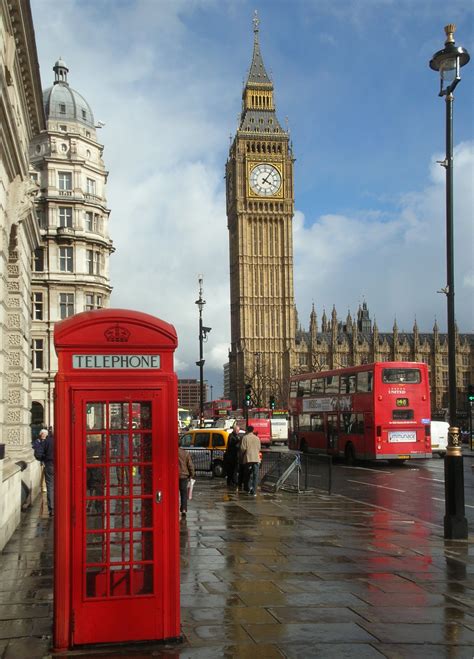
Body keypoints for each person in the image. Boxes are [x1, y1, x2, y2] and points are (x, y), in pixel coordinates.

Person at [33, 428, 54, 516]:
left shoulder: (46, 442)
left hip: (49, 465)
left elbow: (38, 454)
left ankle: (52, 509)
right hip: (63, 466)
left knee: (50, 487)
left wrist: (43, 459)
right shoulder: (63, 441)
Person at [240, 425, 261, 496]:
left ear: (247, 430)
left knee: (247, 475)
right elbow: (259, 448)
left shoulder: (245, 438)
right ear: (252, 430)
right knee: (255, 475)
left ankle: (248, 489)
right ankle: (254, 491)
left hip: (248, 459)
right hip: (256, 459)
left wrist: (241, 456)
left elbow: (243, 448)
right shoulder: (257, 438)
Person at [178, 446, 195, 517]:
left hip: (173, 476)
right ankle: (184, 509)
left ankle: (173, 508)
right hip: (183, 476)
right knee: (184, 493)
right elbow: (190, 465)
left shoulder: (170, 453)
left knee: (173, 493)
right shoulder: (185, 453)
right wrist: (192, 474)